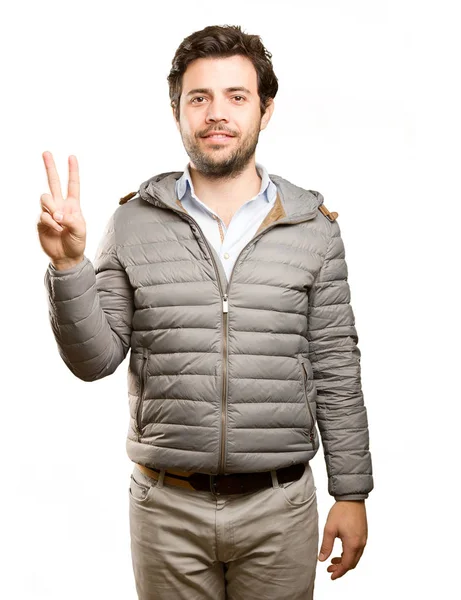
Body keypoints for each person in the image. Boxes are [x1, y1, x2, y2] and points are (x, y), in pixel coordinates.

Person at [38, 24, 373, 600]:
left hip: (281, 509)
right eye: (200, 97)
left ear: (265, 110)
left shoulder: (314, 229)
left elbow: (336, 370)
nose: (217, 113)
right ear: (177, 111)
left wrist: (352, 492)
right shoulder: (132, 224)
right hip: (166, 511)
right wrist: (70, 267)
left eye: (236, 97)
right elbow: (95, 360)